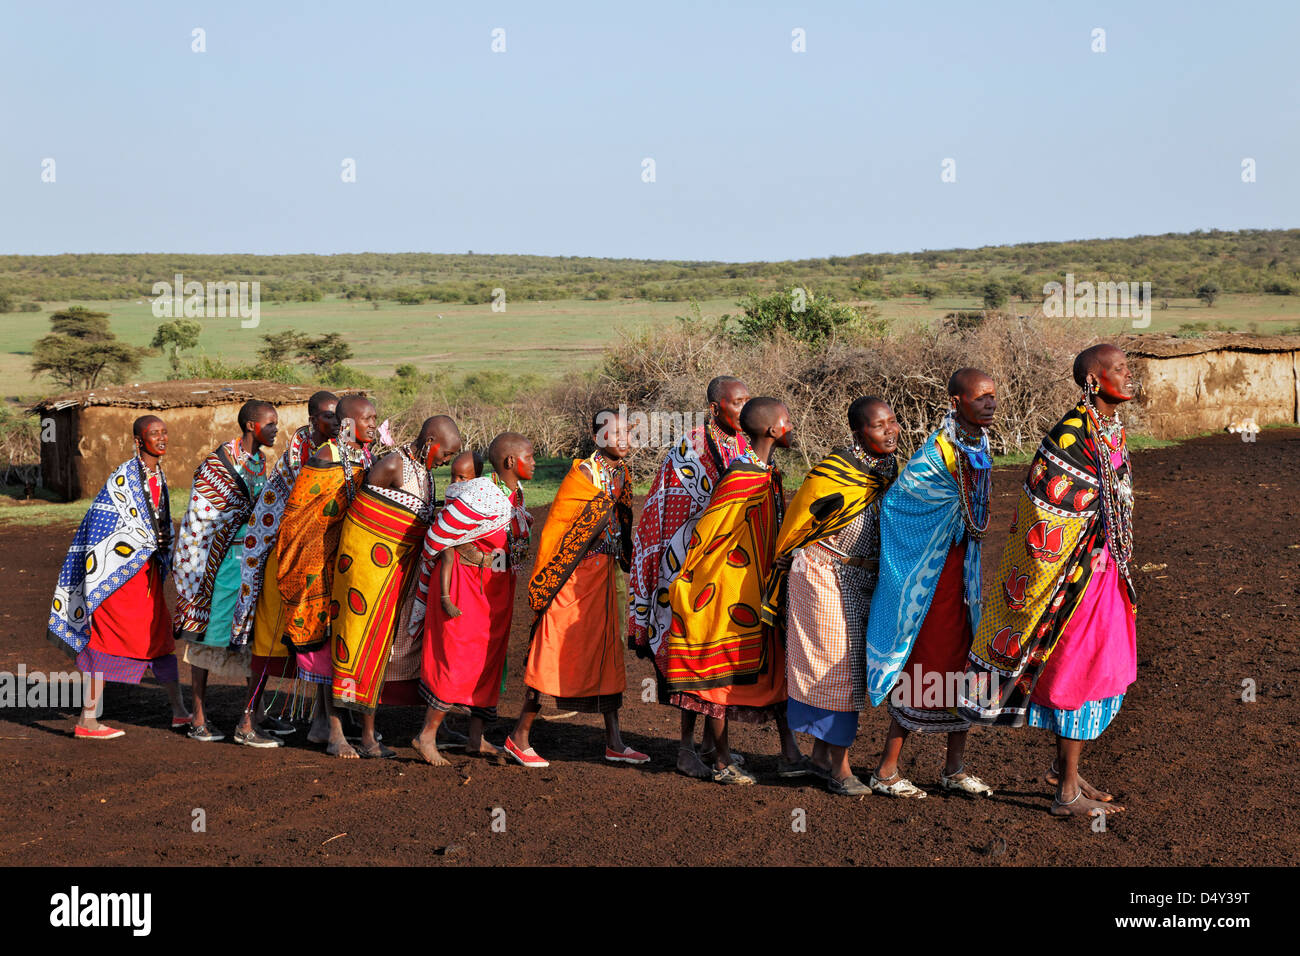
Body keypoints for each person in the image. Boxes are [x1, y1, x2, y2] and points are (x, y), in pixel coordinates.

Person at [959, 345, 1138, 819]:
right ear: (1095, 381)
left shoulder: (1107, 430)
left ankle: (1069, 773)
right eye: (1119, 369)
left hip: (1103, 567)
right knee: (1082, 669)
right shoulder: (1072, 435)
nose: (1129, 374)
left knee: (1105, 663)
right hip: (1076, 574)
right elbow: (1045, 510)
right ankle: (1065, 793)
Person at [864, 369, 998, 799]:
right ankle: (886, 770)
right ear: (956, 402)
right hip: (932, 579)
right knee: (927, 664)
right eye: (980, 398)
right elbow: (897, 505)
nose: (990, 404)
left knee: (965, 664)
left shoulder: (978, 444)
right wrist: (944, 527)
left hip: (964, 575)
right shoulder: (936, 454)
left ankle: (953, 768)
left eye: (993, 397)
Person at [663, 397, 809, 785]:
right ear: (773, 431)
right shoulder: (742, 477)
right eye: (788, 421)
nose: (792, 426)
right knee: (719, 673)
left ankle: (789, 751)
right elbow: (710, 536)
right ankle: (724, 761)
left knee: (775, 664)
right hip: (727, 591)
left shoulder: (765, 472)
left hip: (760, 590)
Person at [761, 397, 900, 795]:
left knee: (852, 668)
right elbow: (798, 527)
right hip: (821, 577)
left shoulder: (886, 469)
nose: (890, 430)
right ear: (859, 432)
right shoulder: (833, 473)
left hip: (860, 577)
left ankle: (820, 756)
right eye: (879, 426)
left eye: (893, 422)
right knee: (837, 669)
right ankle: (840, 767)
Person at [627, 375, 757, 778]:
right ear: (716, 407)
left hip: (728, 570)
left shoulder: (745, 444)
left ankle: (709, 745)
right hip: (687, 568)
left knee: (718, 658)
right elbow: (673, 513)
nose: (744, 408)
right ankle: (686, 750)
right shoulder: (691, 448)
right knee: (690, 660)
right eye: (737, 403)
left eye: (748, 401)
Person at [505, 409, 648, 768]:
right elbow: (560, 531)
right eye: (617, 434)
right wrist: (601, 514)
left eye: (629, 434)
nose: (625, 440)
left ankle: (614, 741)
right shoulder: (583, 474)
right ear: (600, 438)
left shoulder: (620, 474)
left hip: (602, 578)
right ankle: (519, 736)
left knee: (607, 653)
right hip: (570, 579)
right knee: (553, 650)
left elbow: (621, 522)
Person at [47, 416, 190, 738]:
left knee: (160, 638)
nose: (162, 438)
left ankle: (180, 711)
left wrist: (159, 542)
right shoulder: (124, 478)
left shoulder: (157, 475)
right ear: (139, 441)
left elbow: (155, 526)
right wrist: (145, 542)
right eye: (154, 434)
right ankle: (87, 720)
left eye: (164, 432)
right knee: (104, 639)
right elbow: (101, 524)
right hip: (118, 579)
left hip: (146, 577)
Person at [328, 416, 461, 757]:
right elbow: (363, 516)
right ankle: (342, 734)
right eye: (445, 453)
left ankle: (370, 733)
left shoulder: (426, 474)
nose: (446, 460)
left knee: (382, 648)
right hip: (366, 572)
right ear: (430, 441)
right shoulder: (392, 464)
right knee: (357, 644)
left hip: (396, 575)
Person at [410, 432, 533, 766]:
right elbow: (440, 538)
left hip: (495, 588)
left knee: (489, 661)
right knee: (457, 658)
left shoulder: (515, 496)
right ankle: (427, 735)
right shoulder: (482, 494)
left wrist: (497, 566)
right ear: (510, 462)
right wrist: (472, 559)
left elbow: (503, 549)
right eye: (530, 457)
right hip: (464, 585)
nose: (534, 463)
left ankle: (476, 739)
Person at [173, 400, 279, 746]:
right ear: (251, 426)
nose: (276, 428)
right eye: (270, 423)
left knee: (254, 639)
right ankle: (198, 717)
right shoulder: (217, 466)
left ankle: (249, 720)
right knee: (206, 638)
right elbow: (201, 518)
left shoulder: (261, 463)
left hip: (253, 564)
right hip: (219, 565)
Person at [276, 393, 376, 757]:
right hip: (316, 563)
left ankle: (323, 722)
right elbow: (300, 517)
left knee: (339, 641)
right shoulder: (326, 457)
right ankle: (334, 731)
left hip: (345, 563)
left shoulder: (361, 456)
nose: (373, 426)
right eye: (368, 419)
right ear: (348, 423)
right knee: (325, 644)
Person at [232, 390, 337, 719]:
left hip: (321, 560)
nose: (334, 422)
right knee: (270, 639)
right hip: (285, 558)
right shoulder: (299, 460)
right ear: (312, 419)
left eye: (338, 415)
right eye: (327, 415)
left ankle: (323, 720)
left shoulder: (344, 453)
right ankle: (249, 718)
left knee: (322, 639)